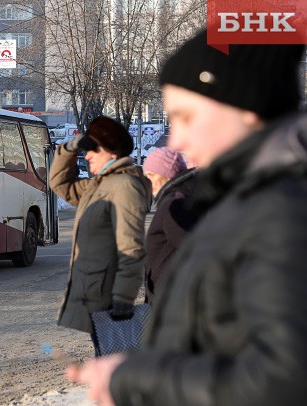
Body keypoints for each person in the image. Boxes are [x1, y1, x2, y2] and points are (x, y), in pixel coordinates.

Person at [67, 30, 307, 405]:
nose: (175, 139)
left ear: (244, 106)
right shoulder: (243, 199)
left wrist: (141, 377)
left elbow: (284, 378)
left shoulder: (281, 210)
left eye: (186, 116)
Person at [50, 116, 151, 356]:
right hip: (95, 293)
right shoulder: (100, 184)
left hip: (109, 298)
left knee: (111, 365)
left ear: (111, 151)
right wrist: (70, 147)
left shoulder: (124, 186)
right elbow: (59, 184)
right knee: (105, 361)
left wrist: (123, 298)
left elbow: (131, 247)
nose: (87, 156)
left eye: (92, 149)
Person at [142, 147, 199, 303]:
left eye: (152, 175)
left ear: (167, 176)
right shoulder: (181, 197)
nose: (149, 182)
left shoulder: (174, 203)